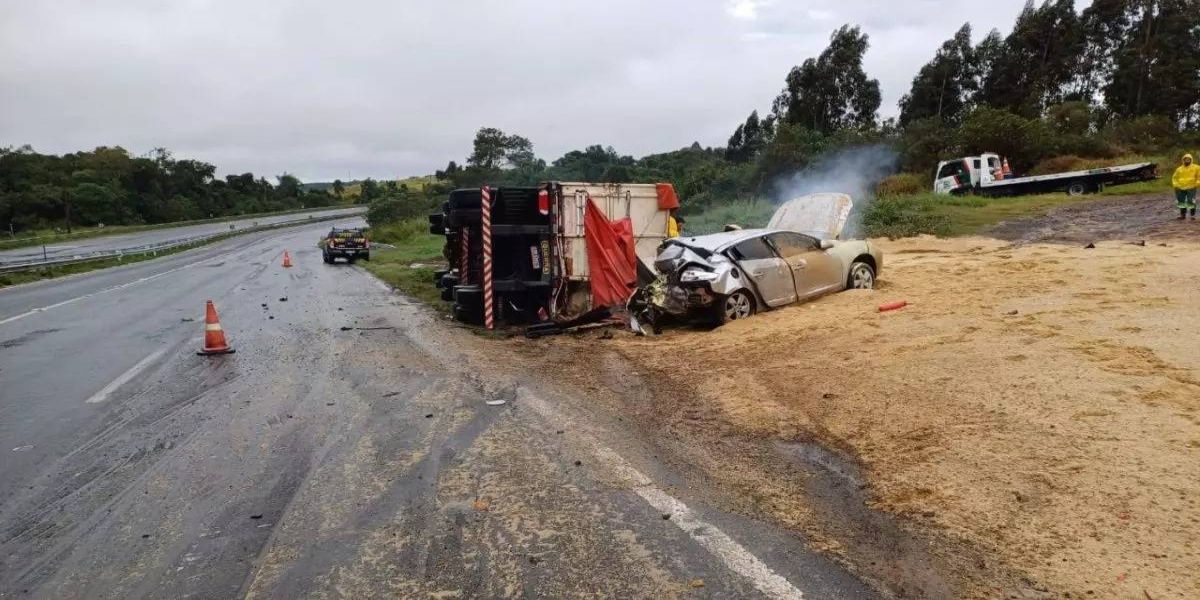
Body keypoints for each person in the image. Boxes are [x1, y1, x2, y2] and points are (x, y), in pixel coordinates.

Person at [1171, 153, 1199, 220]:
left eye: (1188, 159)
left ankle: (1193, 215)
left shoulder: (1196, 167)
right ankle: (1182, 215)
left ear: (1191, 160)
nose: (1187, 160)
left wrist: (1197, 183)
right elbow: (1174, 178)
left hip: (1191, 187)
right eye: (1185, 159)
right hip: (1180, 187)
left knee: (1191, 201)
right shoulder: (1179, 169)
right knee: (1181, 201)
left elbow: (1199, 177)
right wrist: (1175, 185)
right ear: (1183, 160)